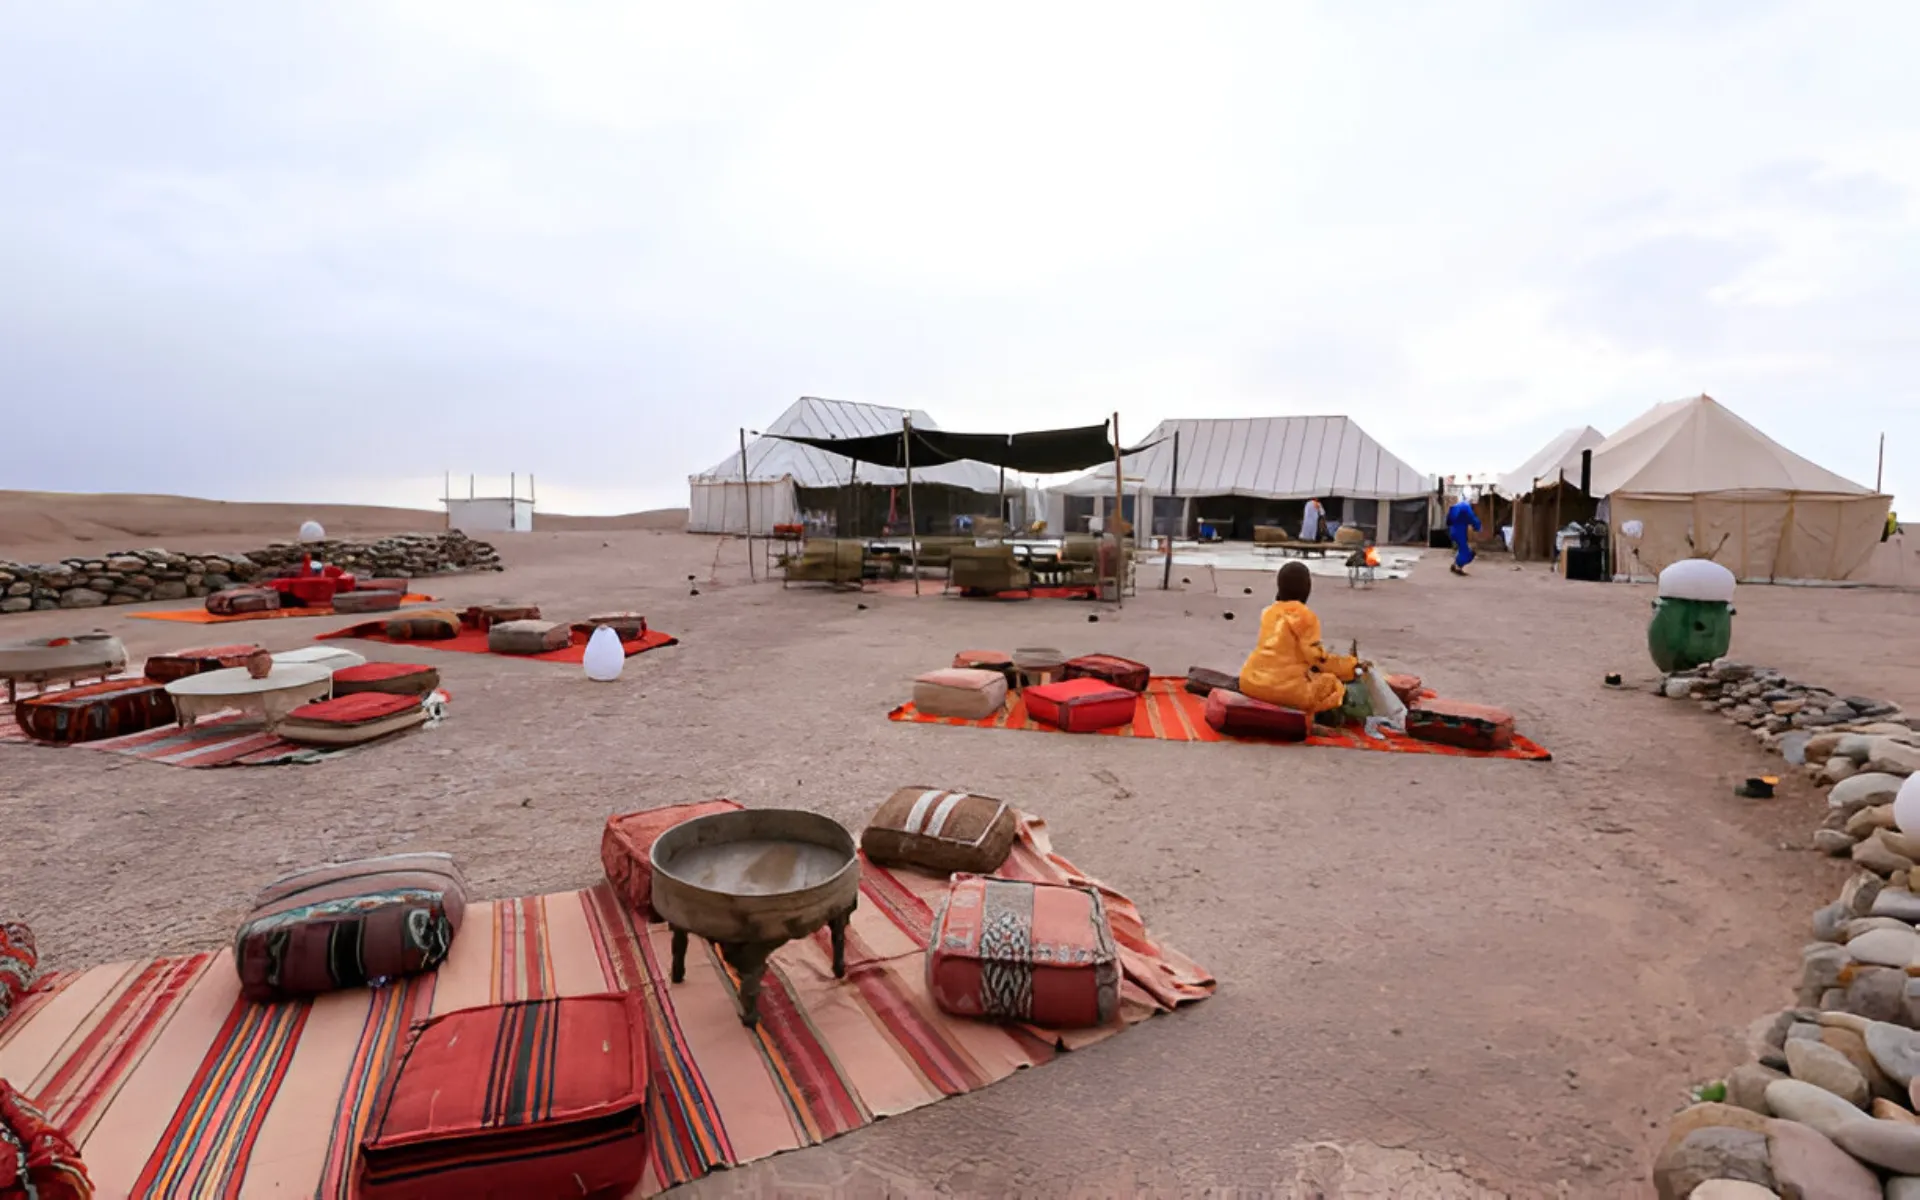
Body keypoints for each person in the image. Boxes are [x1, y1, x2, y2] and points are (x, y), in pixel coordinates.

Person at [1239, 561, 1369, 728]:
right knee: (1331, 683)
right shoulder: (1304, 616)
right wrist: (1351, 667)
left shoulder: (1269, 612)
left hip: (1250, 681)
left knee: (1311, 676)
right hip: (1283, 689)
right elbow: (1318, 660)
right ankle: (1320, 718)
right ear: (1306, 588)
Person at [1447, 494, 1481, 576]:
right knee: (1466, 552)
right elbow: (1472, 518)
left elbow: (1449, 520)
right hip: (1460, 532)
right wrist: (1477, 527)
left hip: (1453, 531)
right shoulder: (1466, 507)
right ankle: (1458, 567)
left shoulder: (1455, 507)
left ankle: (1455, 565)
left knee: (1462, 549)